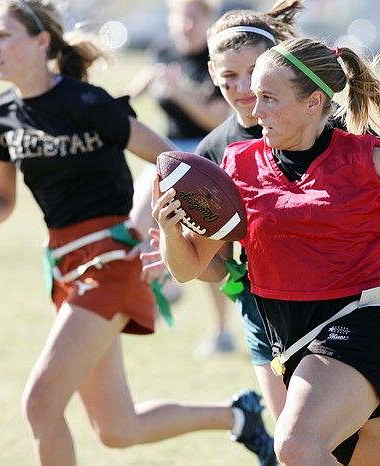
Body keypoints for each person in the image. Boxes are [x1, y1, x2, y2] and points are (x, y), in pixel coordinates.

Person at [145, 2, 380, 465]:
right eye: (252, 93)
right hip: (288, 338)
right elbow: (191, 268)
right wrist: (173, 231)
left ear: (314, 102)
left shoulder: (370, 156)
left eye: (269, 97)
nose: (255, 107)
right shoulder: (236, 164)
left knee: (295, 444)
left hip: (364, 323)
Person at [0, 1, 276, 465]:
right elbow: (0, 198)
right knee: (118, 429)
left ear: (41, 41)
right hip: (63, 265)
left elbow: (171, 164)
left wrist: (169, 235)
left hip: (112, 263)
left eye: (2, 35)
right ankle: (238, 415)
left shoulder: (85, 103)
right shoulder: (1, 113)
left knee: (40, 403)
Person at [124, 0, 236, 357]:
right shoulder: (163, 51)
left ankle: (221, 332)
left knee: (206, 246)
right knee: (137, 227)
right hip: (165, 156)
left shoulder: (215, 58)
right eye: (179, 16)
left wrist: (177, 91)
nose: (186, 24)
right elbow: (138, 94)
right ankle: (166, 280)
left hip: (206, 157)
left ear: (207, 19)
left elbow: (215, 119)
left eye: (194, 16)